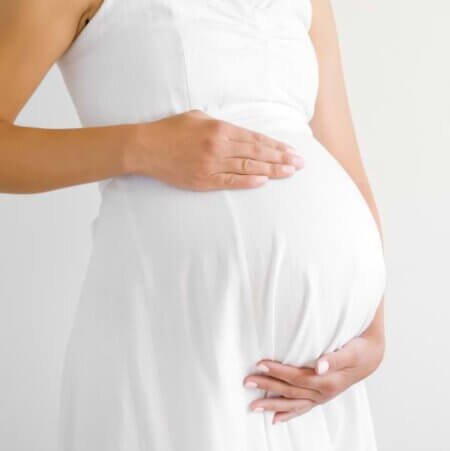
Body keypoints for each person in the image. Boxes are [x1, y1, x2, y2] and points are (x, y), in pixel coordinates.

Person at [0, 0, 388, 449]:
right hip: (175, 337)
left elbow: (347, 165)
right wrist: (141, 147)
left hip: (313, 385)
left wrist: (372, 332)